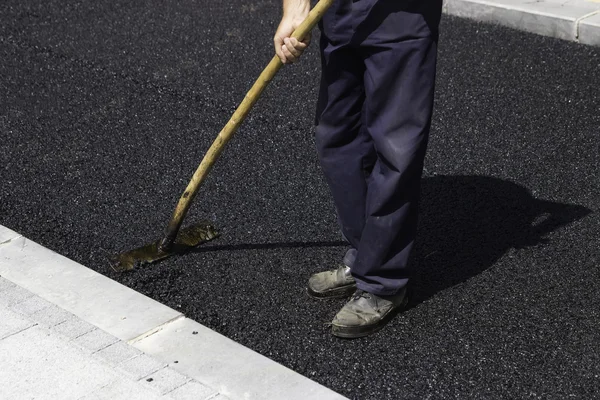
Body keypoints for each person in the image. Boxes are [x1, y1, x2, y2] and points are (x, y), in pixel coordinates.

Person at [274, 0, 443, 338]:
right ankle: (364, 256)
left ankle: (383, 282)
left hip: (400, 15)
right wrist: (294, 10)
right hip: (338, 14)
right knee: (339, 138)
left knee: (396, 149)